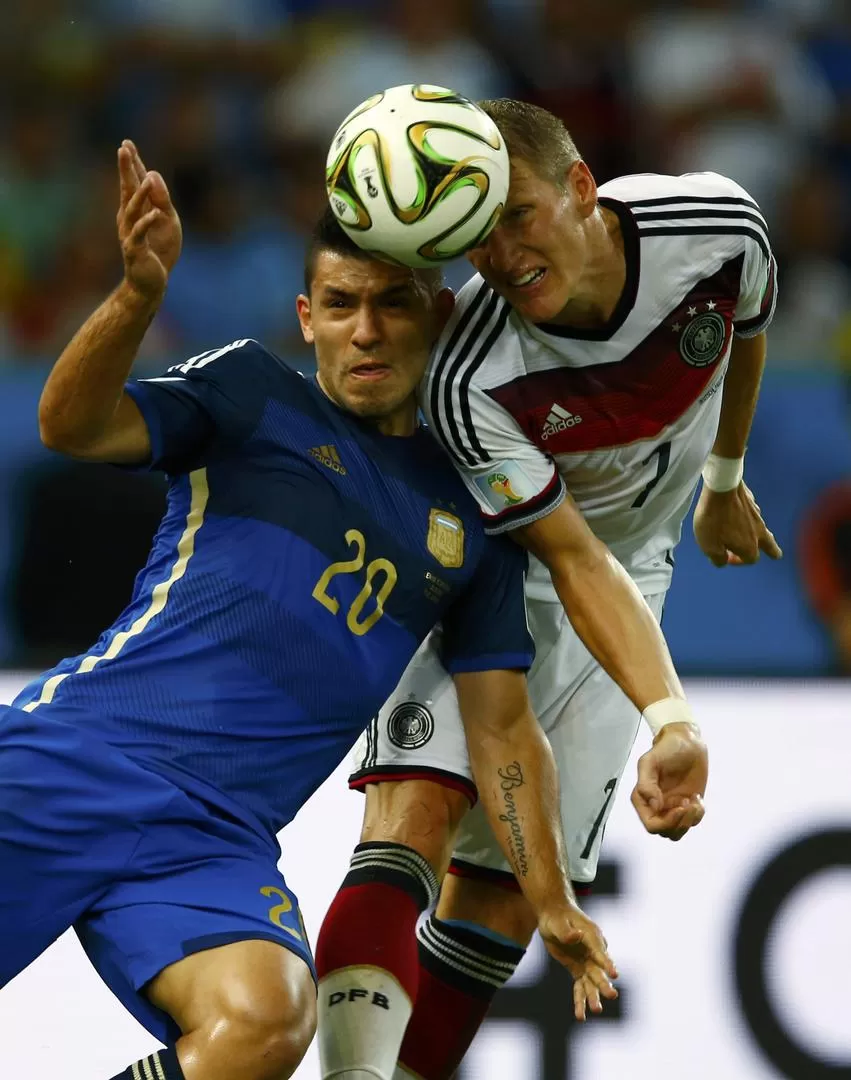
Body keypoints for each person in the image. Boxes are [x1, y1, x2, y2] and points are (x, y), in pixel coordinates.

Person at [0, 141, 618, 1080]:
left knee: (265, 1024)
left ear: (437, 313)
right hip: (75, 762)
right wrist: (136, 296)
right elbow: (70, 427)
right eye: (340, 306)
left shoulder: (475, 521)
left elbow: (501, 736)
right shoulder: (251, 394)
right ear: (307, 318)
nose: (364, 331)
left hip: (211, 839)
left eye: (391, 303)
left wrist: (551, 896)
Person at [316, 98, 780, 1080]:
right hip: (491, 562)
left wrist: (724, 480)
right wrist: (669, 715)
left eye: (518, 215)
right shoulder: (470, 374)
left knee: (503, 899)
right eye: (476, 235)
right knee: (416, 815)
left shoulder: (717, 228)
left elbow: (744, 329)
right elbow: (568, 559)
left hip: (636, 560)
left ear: (581, 187)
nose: (502, 253)